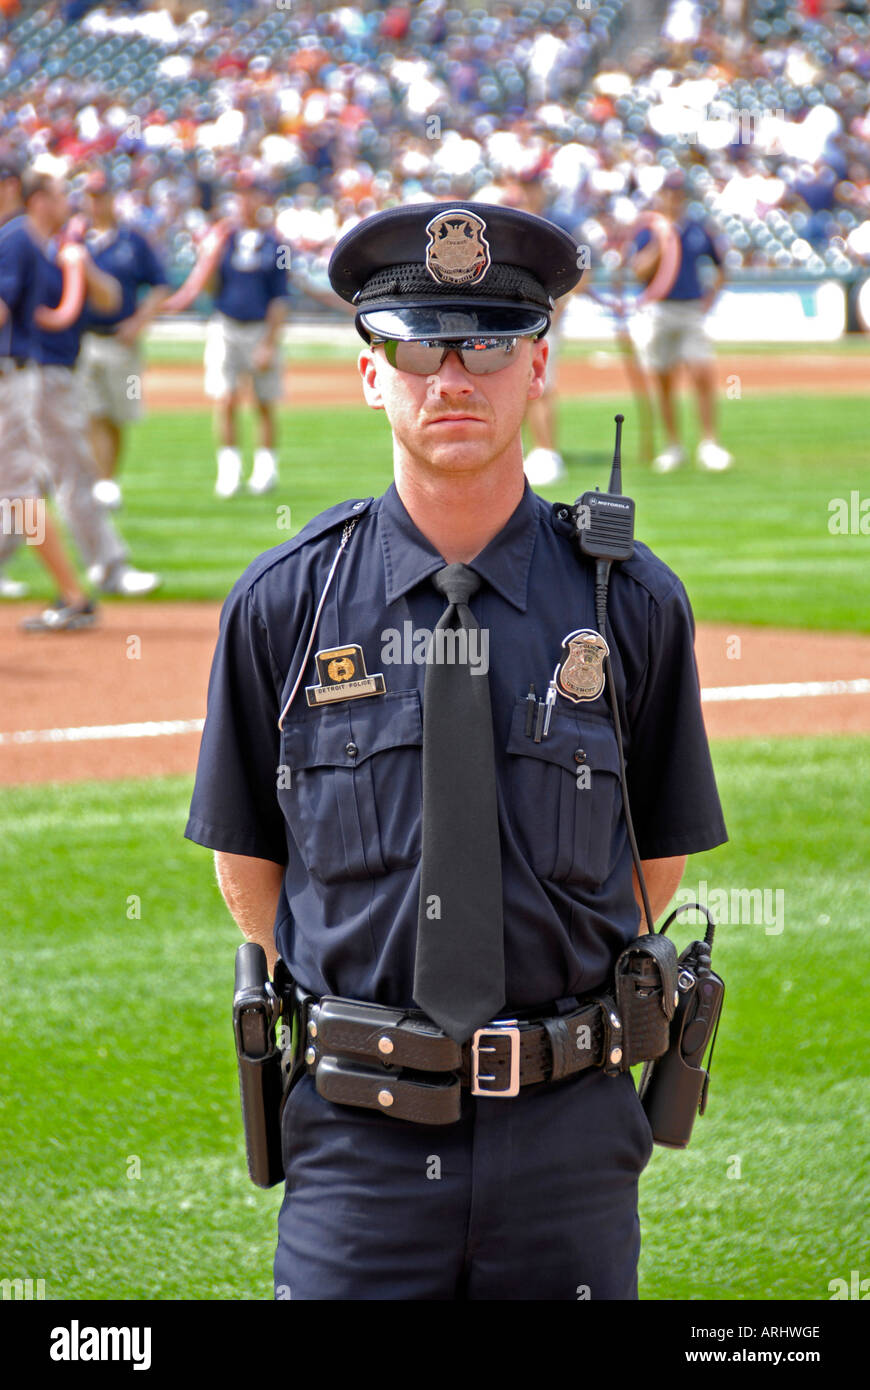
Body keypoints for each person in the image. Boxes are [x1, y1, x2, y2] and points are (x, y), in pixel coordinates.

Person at [185, 200, 728, 1301]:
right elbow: (248, 867)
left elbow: (651, 867)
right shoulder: (287, 603)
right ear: (371, 374)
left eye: (487, 343)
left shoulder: (633, 603)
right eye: (421, 344)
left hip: (571, 1136)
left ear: (538, 367)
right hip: (357, 1139)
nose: (454, 378)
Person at [77, 169, 170, 511]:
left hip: (120, 339)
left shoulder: (133, 240)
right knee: (90, 410)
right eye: (90, 196)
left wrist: (139, 321)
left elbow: (160, 284)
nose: (95, 203)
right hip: (84, 337)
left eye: (100, 195)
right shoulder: (75, 239)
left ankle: (107, 479)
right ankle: (100, 483)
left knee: (117, 413)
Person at [630, 170, 732, 473]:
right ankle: (673, 445)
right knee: (663, 379)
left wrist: (710, 298)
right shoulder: (650, 230)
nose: (674, 199)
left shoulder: (699, 229)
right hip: (659, 309)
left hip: (690, 309)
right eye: (669, 193)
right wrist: (663, 242)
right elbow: (640, 271)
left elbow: (721, 264)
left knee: (702, 372)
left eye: (678, 194)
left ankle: (709, 443)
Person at [204, 174, 289, 499]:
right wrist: (208, 257)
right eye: (240, 195)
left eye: (251, 194)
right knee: (225, 398)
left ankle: (265, 468)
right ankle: (229, 469)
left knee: (264, 400)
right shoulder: (224, 240)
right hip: (226, 324)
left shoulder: (275, 245)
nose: (245, 201)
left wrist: (269, 342)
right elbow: (211, 287)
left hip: (258, 327)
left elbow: (280, 299)